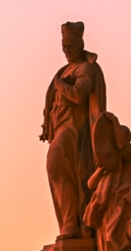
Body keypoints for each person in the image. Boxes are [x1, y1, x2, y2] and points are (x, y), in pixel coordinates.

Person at [41, 22, 107, 239]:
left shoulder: (85, 69)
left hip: (74, 131)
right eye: (64, 46)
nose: (67, 51)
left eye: (70, 46)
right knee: (58, 169)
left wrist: (62, 86)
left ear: (79, 44)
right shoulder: (64, 71)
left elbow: (79, 95)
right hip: (60, 129)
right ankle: (68, 223)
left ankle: (72, 222)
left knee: (58, 164)